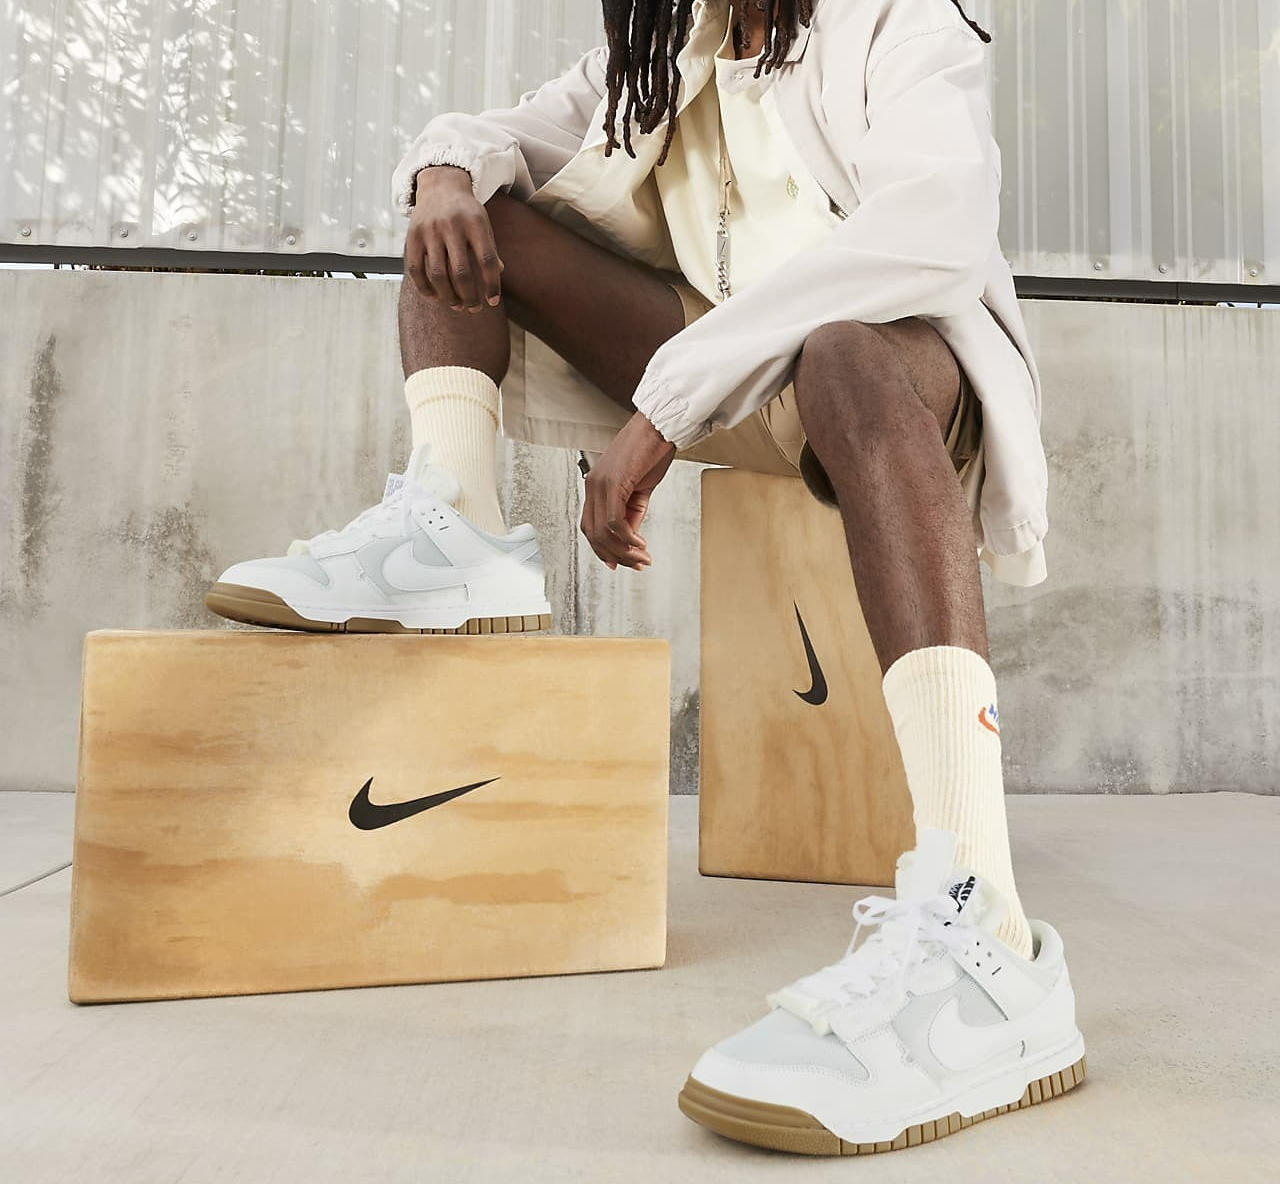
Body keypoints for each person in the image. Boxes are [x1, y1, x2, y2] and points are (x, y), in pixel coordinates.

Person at [206, 0, 1085, 1154]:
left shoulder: (902, 21)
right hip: (721, 384)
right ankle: (453, 520)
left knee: (842, 353)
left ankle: (983, 931)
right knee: (473, 221)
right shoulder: (670, 50)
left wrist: (670, 398)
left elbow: (936, 229)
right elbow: (488, 133)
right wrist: (441, 177)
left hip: (886, 388)